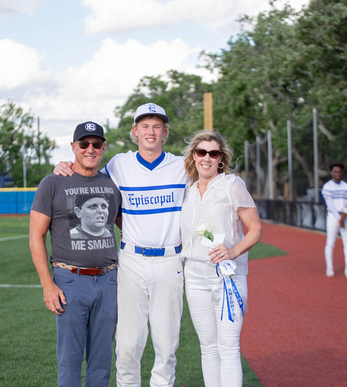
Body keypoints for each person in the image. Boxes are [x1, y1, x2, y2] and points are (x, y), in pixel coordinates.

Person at [53, 103, 190, 386]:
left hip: (169, 261)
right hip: (131, 261)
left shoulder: (181, 166)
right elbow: (86, 170)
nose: (150, 132)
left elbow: (210, 172)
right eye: (144, 126)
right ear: (134, 131)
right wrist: (64, 164)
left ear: (165, 132)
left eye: (156, 126)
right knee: (128, 346)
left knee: (166, 346)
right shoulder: (118, 165)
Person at [29, 121, 122, 386]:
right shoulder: (53, 183)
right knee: (69, 360)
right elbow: (36, 235)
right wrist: (48, 285)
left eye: (96, 144)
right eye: (84, 144)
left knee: (102, 359)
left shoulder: (111, 183)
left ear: (103, 147)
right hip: (70, 280)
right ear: (73, 147)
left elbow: (126, 224)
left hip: (108, 280)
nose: (90, 149)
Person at [180, 130, 262, 387]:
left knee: (228, 348)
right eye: (201, 152)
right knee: (208, 347)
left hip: (226, 276)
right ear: (193, 156)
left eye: (213, 153)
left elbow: (256, 229)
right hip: (194, 276)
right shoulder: (188, 190)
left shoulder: (231, 185)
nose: (206, 158)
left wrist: (234, 252)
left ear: (221, 159)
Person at [321, 161, 347, 278]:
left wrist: (344, 213)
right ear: (331, 173)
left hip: (345, 216)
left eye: (339, 171)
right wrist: (339, 218)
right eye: (335, 171)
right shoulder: (327, 186)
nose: (337, 173)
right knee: (330, 243)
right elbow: (330, 204)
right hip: (333, 217)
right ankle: (330, 268)